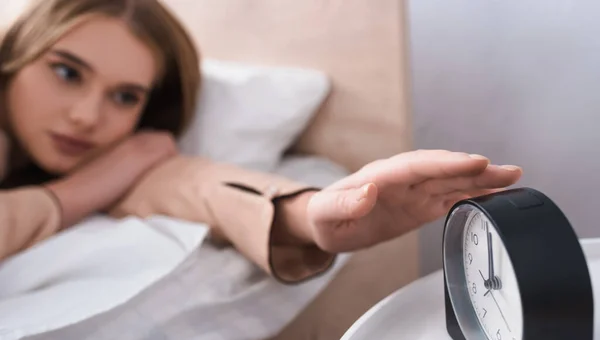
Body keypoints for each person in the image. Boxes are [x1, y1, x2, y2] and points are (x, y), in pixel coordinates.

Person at [0, 0, 522, 283]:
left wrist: (312, 214)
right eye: (67, 73)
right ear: (17, 53)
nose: (87, 116)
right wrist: (78, 192)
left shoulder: (128, 156)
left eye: (125, 96)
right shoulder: (98, 169)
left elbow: (198, 186)